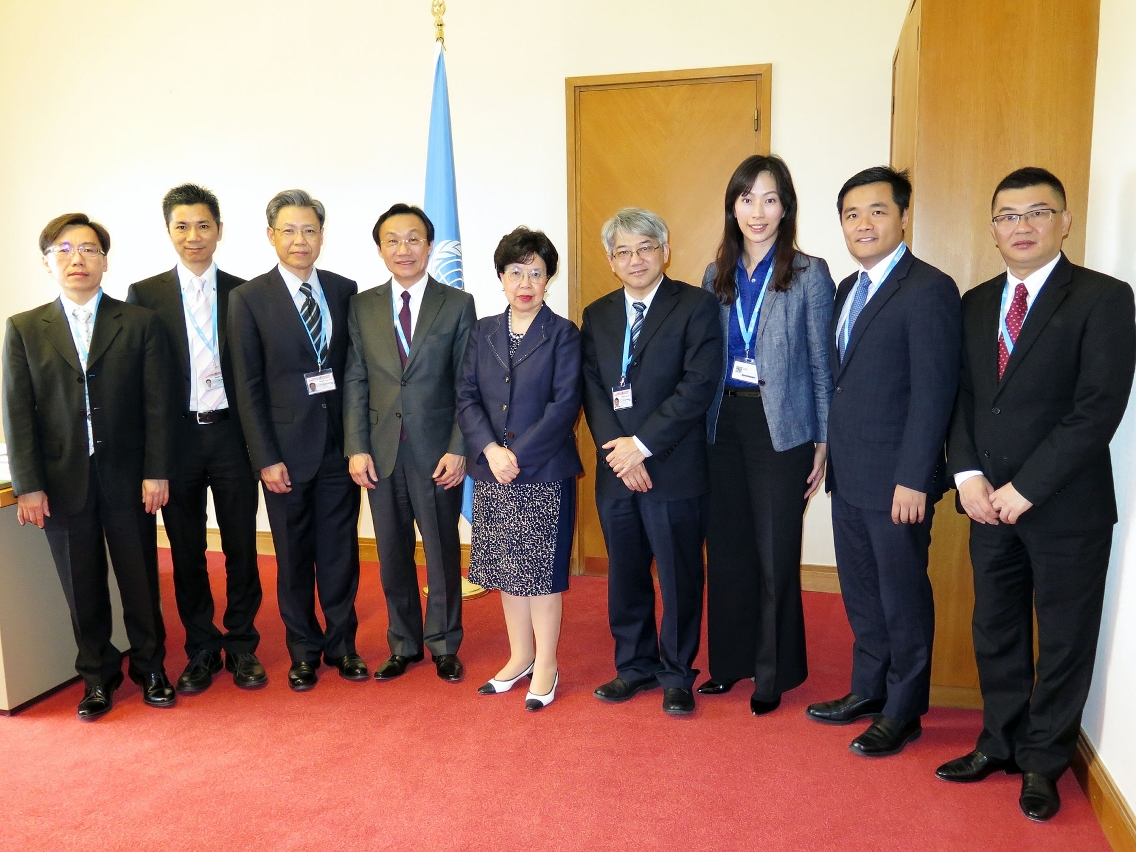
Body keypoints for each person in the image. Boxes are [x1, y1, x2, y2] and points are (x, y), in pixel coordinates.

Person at [937, 168, 1135, 821]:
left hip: (1064, 505)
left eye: (1036, 213)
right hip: (985, 502)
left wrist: (1026, 487)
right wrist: (967, 477)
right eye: (1007, 215)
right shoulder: (973, 302)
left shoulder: (1103, 298)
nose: (1021, 226)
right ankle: (998, 742)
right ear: (992, 228)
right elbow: (962, 398)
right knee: (994, 628)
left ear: (1064, 222)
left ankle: (1043, 762)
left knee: (1064, 636)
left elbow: (1096, 408)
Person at [804, 167, 961, 757]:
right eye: (851, 214)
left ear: (903, 216)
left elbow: (933, 393)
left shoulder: (928, 289)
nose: (862, 223)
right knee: (862, 592)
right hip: (851, 476)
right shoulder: (848, 289)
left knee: (903, 598)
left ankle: (904, 709)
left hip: (899, 483)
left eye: (876, 211)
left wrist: (915, 478)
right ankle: (867, 690)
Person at [3, 213, 175, 719]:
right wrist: (28, 486)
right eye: (64, 249)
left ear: (104, 260)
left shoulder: (139, 322)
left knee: (140, 577)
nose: (77, 258)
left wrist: (156, 470)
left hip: (128, 476)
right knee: (82, 585)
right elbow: (17, 412)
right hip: (62, 481)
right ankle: (97, 677)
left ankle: (150, 667)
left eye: (89, 249)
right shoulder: (26, 328)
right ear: (47, 262)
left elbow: (157, 405)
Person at [697, 155, 835, 715]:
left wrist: (824, 440)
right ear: (733, 206)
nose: (758, 211)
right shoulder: (716, 275)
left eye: (770, 199)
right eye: (747, 198)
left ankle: (774, 672)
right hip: (722, 423)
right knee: (726, 549)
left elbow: (822, 365)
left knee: (775, 550)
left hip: (783, 428)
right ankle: (729, 663)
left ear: (786, 208)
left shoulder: (809, 272)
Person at [581, 207, 722, 716]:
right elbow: (594, 390)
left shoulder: (696, 306)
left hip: (674, 467)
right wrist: (621, 453)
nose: (635, 259)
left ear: (666, 251)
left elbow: (698, 386)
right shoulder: (596, 315)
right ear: (611, 261)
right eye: (623, 251)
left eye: (645, 248)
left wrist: (641, 445)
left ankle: (678, 672)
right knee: (626, 572)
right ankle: (633, 666)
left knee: (680, 576)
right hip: (617, 469)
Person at [127, 184, 265, 694]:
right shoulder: (146, 295)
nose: (194, 236)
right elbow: (142, 381)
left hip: (231, 433)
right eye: (182, 226)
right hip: (177, 438)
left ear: (220, 231)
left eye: (203, 225)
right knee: (186, 550)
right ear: (169, 233)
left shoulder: (245, 292)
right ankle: (202, 647)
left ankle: (243, 645)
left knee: (241, 546)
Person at [228, 189, 367, 691]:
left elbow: (355, 371)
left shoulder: (343, 289)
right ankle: (303, 651)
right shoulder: (248, 298)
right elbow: (246, 387)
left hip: (339, 448)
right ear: (271, 236)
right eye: (288, 230)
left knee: (340, 550)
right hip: (284, 455)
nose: (300, 240)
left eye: (309, 230)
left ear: (322, 236)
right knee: (292, 555)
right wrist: (265, 457)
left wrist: (357, 442)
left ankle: (343, 646)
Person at [344, 203, 475, 684]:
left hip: (438, 451)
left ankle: (444, 643)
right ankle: (404, 643)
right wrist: (356, 446)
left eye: (413, 238)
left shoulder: (457, 304)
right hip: (381, 452)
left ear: (430, 245)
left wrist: (460, 446)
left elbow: (467, 383)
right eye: (393, 240)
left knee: (441, 551)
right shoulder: (361, 305)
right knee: (392, 550)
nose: (404, 249)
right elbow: (356, 379)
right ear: (380, 249)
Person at [456, 227, 582, 711]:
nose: (525, 282)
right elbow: (466, 397)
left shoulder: (563, 333)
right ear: (501, 278)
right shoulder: (482, 330)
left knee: (541, 574)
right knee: (507, 571)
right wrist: (490, 450)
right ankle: (520, 656)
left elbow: (564, 404)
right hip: (491, 470)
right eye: (515, 272)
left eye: (536, 272)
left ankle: (546, 663)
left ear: (548, 278)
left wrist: (517, 455)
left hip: (542, 471)